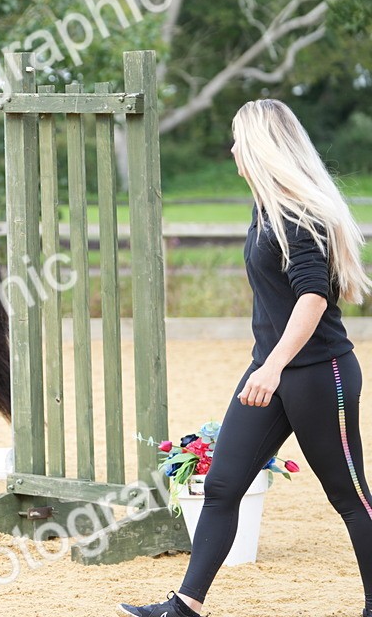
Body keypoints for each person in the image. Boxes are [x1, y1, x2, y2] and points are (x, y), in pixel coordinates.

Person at [119, 99, 372, 617]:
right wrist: (269, 367)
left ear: (257, 146)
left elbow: (312, 298)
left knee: (351, 499)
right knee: (222, 484)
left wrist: (273, 365)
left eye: (237, 138)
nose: (231, 148)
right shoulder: (266, 206)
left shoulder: (298, 214)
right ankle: (184, 607)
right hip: (272, 371)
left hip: (319, 375)